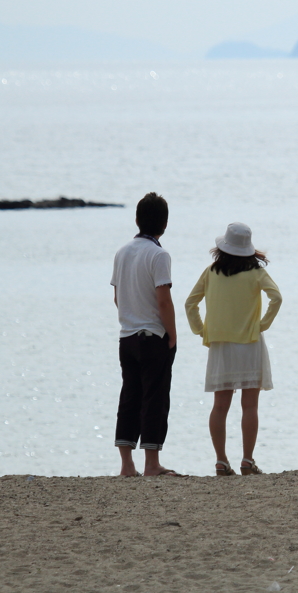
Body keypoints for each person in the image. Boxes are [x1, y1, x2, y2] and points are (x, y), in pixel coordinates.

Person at [185, 222, 282, 477]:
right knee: (250, 406)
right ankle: (247, 461)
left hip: (220, 344)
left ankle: (221, 461)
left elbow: (190, 303)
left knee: (220, 406)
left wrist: (201, 330)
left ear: (223, 248)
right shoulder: (256, 272)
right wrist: (263, 324)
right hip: (249, 342)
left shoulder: (211, 272)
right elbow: (276, 297)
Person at [111, 192, 182, 477]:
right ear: (164, 224)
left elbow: (117, 297)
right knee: (155, 398)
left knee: (129, 396)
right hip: (153, 336)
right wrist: (173, 333)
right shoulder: (159, 255)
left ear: (137, 219)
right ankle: (151, 463)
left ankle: (127, 465)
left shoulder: (122, 252)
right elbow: (163, 299)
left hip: (127, 336)